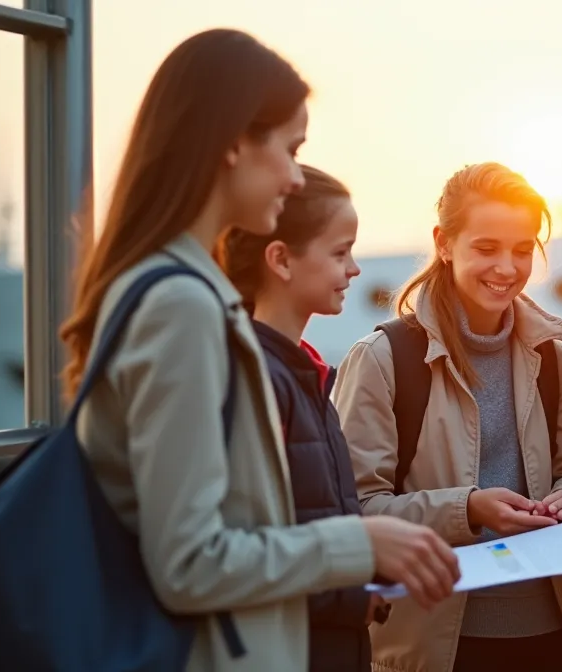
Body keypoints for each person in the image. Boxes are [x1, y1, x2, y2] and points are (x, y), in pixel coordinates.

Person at [59, 29, 458, 672]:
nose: (296, 175)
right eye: (290, 148)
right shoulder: (182, 307)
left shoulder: (169, 290)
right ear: (232, 145)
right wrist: (357, 542)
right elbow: (189, 564)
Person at [333, 162, 562, 672]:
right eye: (486, 248)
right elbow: (354, 513)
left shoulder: (555, 358)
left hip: (553, 641)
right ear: (443, 242)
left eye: (523, 250)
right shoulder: (381, 360)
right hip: (435, 649)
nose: (507, 267)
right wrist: (470, 509)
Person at [214, 164, 391, 671]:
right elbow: (247, 549)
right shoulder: (261, 380)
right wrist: (354, 595)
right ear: (281, 260)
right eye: (339, 253)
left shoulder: (304, 375)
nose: (354, 269)